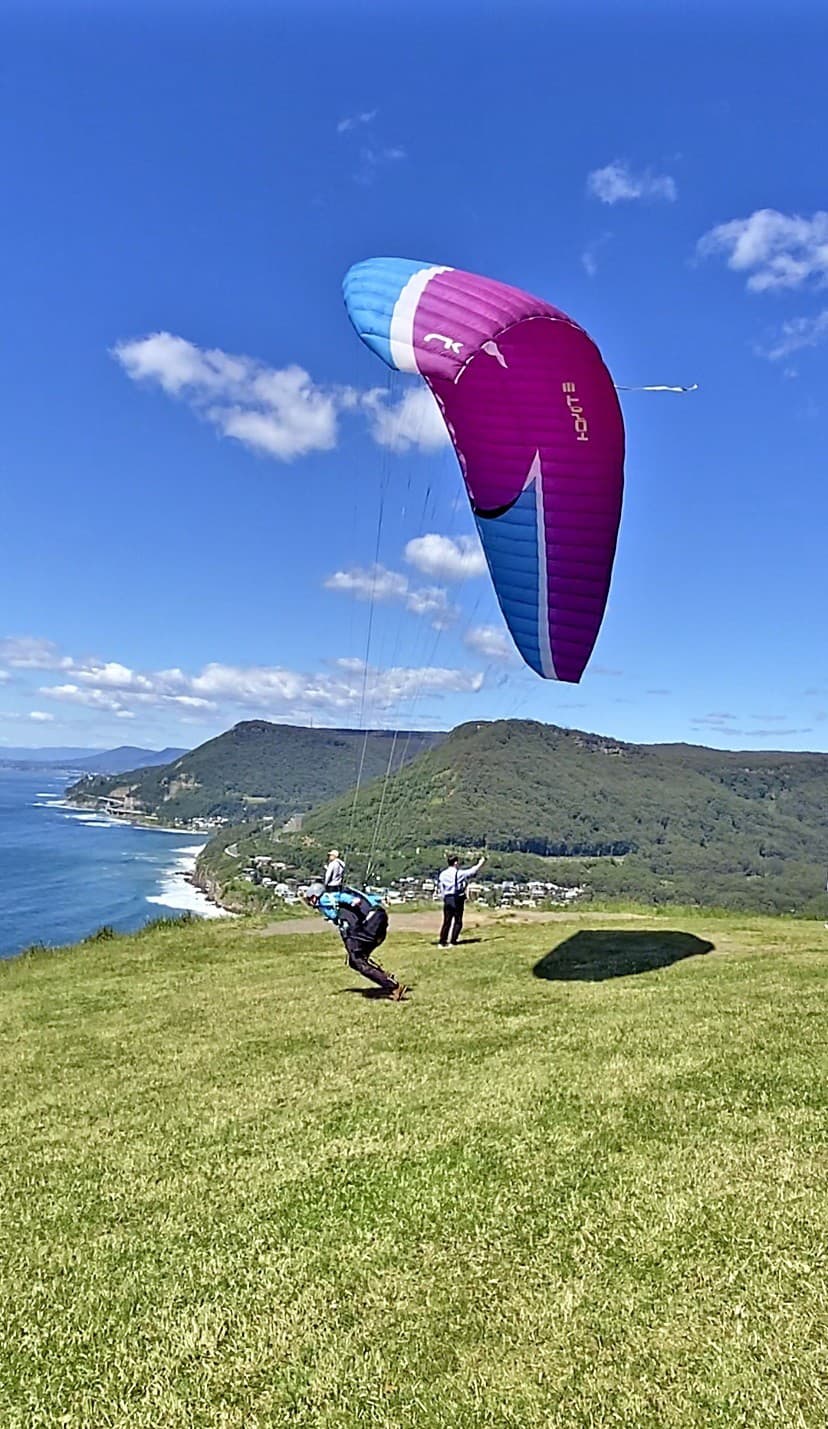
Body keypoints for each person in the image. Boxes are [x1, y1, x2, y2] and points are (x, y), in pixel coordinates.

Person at [303, 882, 407, 999]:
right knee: (356, 960)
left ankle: (393, 986)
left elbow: (340, 897)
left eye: (310, 898)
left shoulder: (325, 898)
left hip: (372, 921)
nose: (310, 902)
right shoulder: (334, 904)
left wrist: (352, 900)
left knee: (356, 959)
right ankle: (385, 977)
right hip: (378, 919)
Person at [437, 853, 485, 948]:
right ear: (455, 863)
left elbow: (441, 887)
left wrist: (444, 896)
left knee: (447, 921)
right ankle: (453, 941)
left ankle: (442, 941)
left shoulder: (443, 874)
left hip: (447, 898)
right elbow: (472, 871)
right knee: (458, 921)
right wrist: (481, 863)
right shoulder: (459, 873)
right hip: (457, 898)